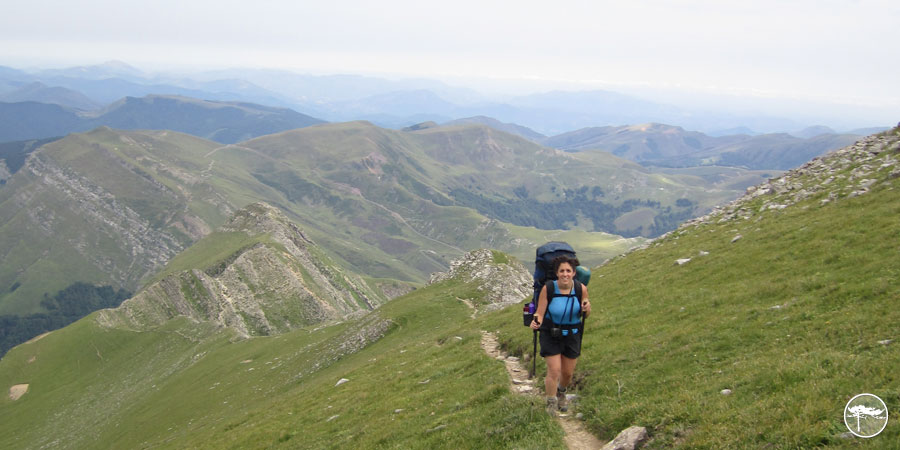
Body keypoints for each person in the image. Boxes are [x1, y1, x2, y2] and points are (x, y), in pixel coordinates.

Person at [529, 255, 591, 415]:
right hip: (550, 333)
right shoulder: (548, 288)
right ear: (557, 273)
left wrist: (587, 307)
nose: (565, 274)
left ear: (574, 273)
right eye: (562, 271)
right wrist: (535, 321)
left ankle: (561, 392)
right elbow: (540, 312)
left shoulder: (581, 289)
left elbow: (585, 314)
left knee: (568, 373)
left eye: (568, 271)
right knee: (554, 370)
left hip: (572, 334)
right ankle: (550, 401)